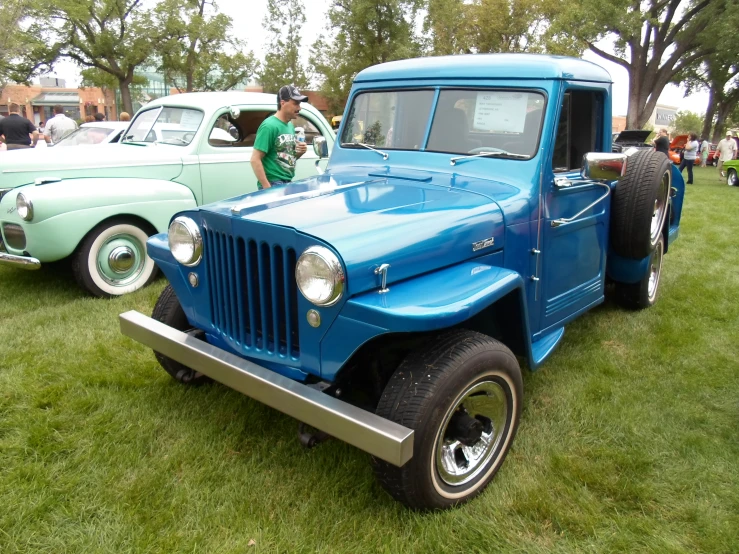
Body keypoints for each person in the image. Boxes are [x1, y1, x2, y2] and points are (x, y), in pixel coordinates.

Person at [250, 85, 309, 190]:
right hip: (273, 184)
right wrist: (267, 188)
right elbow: (255, 159)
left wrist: (299, 153)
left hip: (287, 182)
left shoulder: (289, 125)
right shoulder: (269, 126)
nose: (299, 108)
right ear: (282, 103)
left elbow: (285, 159)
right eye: (295, 103)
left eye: (299, 104)